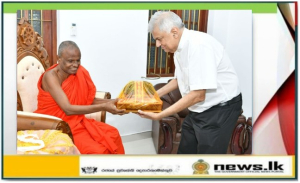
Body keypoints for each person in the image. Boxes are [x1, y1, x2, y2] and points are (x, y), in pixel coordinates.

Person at [138, 11, 242, 154]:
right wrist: (153, 95)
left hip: (219, 109)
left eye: (160, 39)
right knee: (185, 152)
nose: (157, 44)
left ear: (174, 31)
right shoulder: (179, 49)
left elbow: (198, 94)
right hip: (198, 108)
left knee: (207, 159)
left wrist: (160, 115)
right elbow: (178, 80)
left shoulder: (199, 45)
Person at [34, 40, 126, 154]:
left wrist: (115, 101)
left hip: (76, 121)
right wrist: (105, 107)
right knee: (97, 150)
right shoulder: (51, 76)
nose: (75, 64)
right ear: (59, 59)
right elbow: (67, 109)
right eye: (70, 61)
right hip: (57, 125)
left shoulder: (79, 73)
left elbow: (87, 100)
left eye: (78, 60)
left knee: (113, 134)